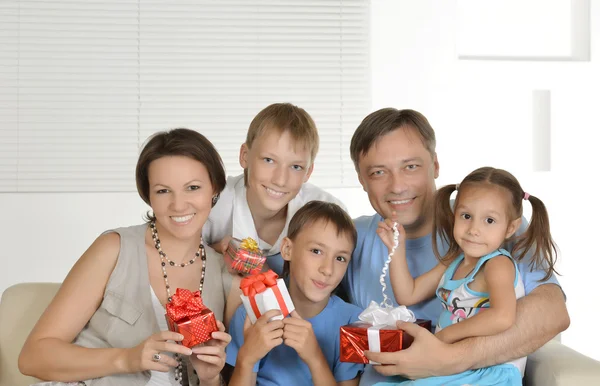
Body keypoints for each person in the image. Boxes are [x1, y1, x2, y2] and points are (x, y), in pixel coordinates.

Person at [343, 108, 569, 384]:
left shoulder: (490, 227)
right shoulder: (349, 237)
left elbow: (552, 313)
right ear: (361, 180)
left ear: (435, 165)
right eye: (379, 172)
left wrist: (448, 358)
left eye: (410, 166)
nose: (398, 186)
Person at [19, 128, 234, 386]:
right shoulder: (114, 249)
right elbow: (33, 357)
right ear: (148, 196)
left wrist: (210, 378)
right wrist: (127, 359)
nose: (179, 205)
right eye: (163, 191)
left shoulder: (225, 276)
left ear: (215, 188)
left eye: (193, 187)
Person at [375, 166, 558, 385]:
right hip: (458, 370)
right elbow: (408, 294)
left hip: (490, 372)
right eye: (466, 216)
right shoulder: (454, 261)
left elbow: (502, 317)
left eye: (489, 220)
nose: (473, 229)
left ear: (511, 228)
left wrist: (444, 336)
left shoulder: (497, 264)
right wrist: (397, 247)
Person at [225, 201, 364, 386]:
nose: (327, 269)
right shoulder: (253, 313)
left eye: (340, 258)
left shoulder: (353, 322)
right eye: (316, 251)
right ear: (287, 250)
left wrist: (315, 358)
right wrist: (247, 358)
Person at [204, 103, 346, 277]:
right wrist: (211, 253)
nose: (280, 180)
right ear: (245, 156)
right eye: (269, 160)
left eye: (295, 166)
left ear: (308, 172)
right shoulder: (212, 204)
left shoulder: (327, 213)